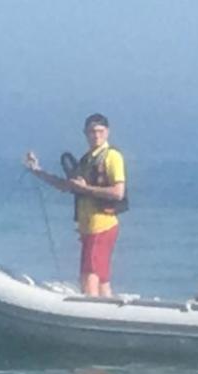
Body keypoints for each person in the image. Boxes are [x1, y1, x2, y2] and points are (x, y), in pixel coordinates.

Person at [24, 113, 127, 297]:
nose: (96, 136)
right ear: (85, 134)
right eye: (92, 132)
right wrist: (37, 171)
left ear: (107, 132)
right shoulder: (87, 159)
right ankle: (107, 313)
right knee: (101, 279)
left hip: (102, 226)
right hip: (88, 228)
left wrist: (86, 189)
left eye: (100, 131)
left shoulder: (112, 157)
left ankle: (92, 315)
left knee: (89, 276)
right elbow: (66, 186)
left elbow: (118, 192)